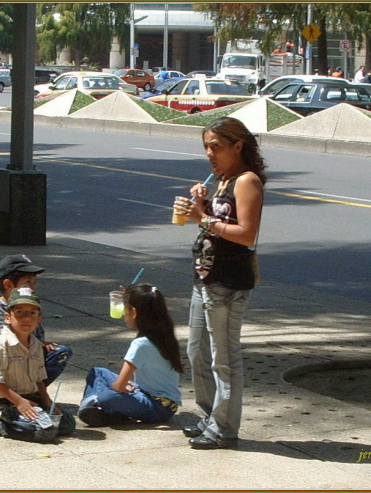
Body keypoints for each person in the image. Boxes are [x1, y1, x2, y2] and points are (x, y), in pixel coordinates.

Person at [173, 117, 266, 450]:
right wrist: (199, 205)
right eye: (206, 147)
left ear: (237, 146)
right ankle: (210, 417)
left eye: (216, 146)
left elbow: (247, 235)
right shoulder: (223, 180)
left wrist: (204, 218)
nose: (209, 153)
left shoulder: (246, 181)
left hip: (228, 282)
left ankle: (225, 428)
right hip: (205, 278)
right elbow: (213, 226)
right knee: (197, 352)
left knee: (224, 358)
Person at [77, 283, 183, 427]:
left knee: (107, 397)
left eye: (125, 308)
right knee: (98, 373)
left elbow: (119, 386)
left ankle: (95, 406)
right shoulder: (163, 333)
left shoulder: (141, 344)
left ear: (134, 312)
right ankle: (97, 408)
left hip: (157, 408)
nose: (123, 313)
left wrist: (122, 387)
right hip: (152, 397)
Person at [0, 286, 76, 441]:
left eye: (32, 313)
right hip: (9, 401)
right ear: (7, 317)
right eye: (19, 312)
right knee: (45, 431)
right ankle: (1, 422)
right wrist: (19, 402)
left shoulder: (36, 345)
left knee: (66, 424)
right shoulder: (1, 345)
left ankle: (28, 420)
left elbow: (39, 378)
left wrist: (47, 401)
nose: (26, 318)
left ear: (39, 319)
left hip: (33, 397)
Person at [0, 254, 72, 388]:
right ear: (8, 284)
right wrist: (37, 344)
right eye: (27, 283)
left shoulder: (30, 304)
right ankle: (10, 394)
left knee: (61, 352)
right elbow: (13, 337)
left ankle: (33, 390)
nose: (32, 288)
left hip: (29, 351)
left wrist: (43, 344)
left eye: (33, 283)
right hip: (7, 356)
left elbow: (36, 333)